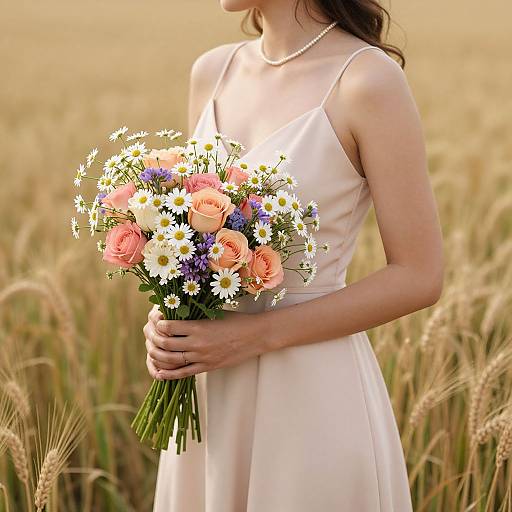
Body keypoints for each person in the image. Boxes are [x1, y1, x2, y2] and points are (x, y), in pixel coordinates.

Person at [144, 1, 444, 510]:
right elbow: (191, 239)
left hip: (310, 395)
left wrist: (250, 337)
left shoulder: (367, 80)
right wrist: (168, 314)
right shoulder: (212, 71)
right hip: (209, 394)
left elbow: (419, 275)